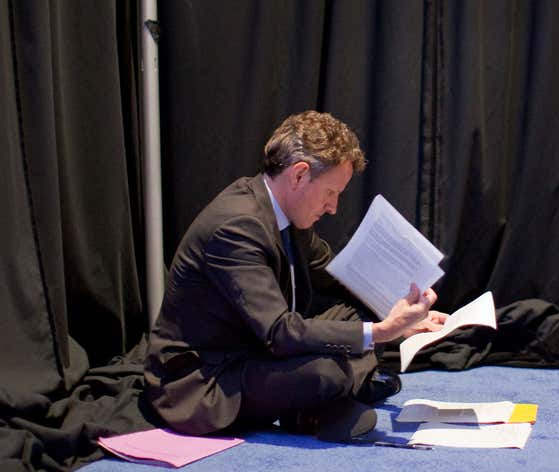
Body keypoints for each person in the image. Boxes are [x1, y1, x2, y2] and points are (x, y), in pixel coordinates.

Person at [144, 110, 446, 441]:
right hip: (209, 378)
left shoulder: (290, 216)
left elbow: (341, 280)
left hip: (259, 350)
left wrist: (399, 312)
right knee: (328, 371)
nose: (333, 207)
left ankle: (316, 407)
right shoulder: (236, 226)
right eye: (331, 192)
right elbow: (279, 331)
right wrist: (383, 332)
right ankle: (319, 404)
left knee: (359, 316)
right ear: (299, 175)